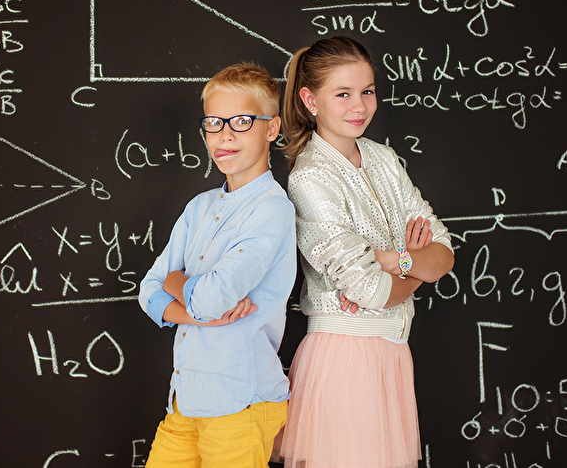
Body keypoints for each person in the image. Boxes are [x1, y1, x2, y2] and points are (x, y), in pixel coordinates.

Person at [274, 36, 454, 468]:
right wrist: (414, 267)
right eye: (343, 94)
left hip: (391, 353)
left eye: (367, 91)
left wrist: (395, 261)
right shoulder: (310, 178)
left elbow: (445, 252)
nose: (359, 106)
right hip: (346, 357)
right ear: (310, 100)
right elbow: (370, 290)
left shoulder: (383, 158)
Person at [138, 63, 296, 468]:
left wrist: (177, 281)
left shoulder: (271, 209)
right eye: (213, 123)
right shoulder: (199, 207)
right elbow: (148, 290)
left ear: (272, 128)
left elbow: (207, 298)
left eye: (242, 122)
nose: (224, 135)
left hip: (239, 403)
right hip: (186, 399)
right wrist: (196, 315)